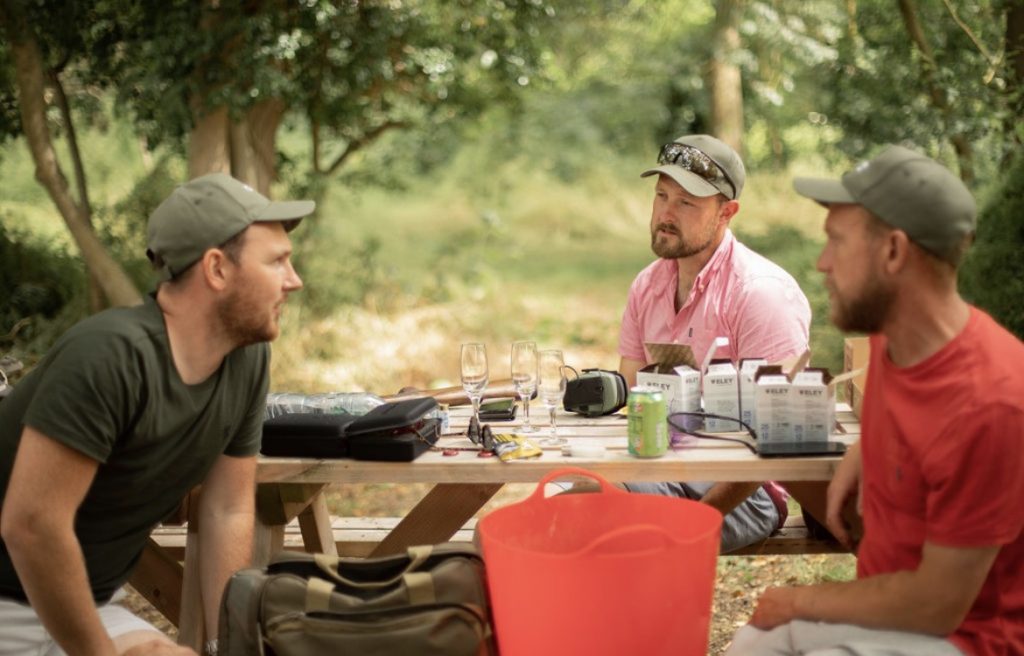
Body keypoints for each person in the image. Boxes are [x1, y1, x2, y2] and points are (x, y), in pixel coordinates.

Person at [727, 145, 1024, 655]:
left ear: (893, 252)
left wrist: (800, 600)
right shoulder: (895, 338)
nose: (821, 263)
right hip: (891, 611)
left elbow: (937, 605)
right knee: (756, 641)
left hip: (963, 637)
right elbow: (914, 417)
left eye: (837, 242)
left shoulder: (994, 404)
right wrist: (859, 455)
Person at [0, 173, 314, 656]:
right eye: (276, 261)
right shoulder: (108, 357)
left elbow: (226, 508)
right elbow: (31, 526)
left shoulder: (246, 359)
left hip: (87, 603)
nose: (294, 280)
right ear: (216, 268)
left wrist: (225, 643)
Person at [618, 134, 811, 553]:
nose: (666, 214)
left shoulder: (760, 293)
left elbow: (777, 441)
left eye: (686, 203)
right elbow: (630, 396)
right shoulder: (647, 285)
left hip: (744, 492)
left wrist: (697, 522)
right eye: (661, 196)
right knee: (572, 501)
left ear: (727, 212)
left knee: (608, 519)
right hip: (658, 466)